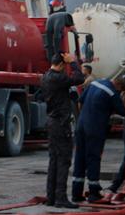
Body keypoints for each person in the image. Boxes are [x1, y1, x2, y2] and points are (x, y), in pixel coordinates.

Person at [71, 75, 125, 203]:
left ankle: (76, 193)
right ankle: (93, 192)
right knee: (93, 158)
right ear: (119, 86)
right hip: (95, 129)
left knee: (80, 157)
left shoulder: (94, 83)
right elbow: (123, 111)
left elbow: (81, 101)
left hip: (81, 126)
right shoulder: (112, 93)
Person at [41, 52, 85, 209]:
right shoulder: (58, 78)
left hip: (52, 122)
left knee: (54, 160)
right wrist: (73, 62)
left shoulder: (45, 76)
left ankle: (51, 197)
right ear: (61, 64)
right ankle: (60, 197)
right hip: (60, 123)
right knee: (64, 160)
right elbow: (80, 78)